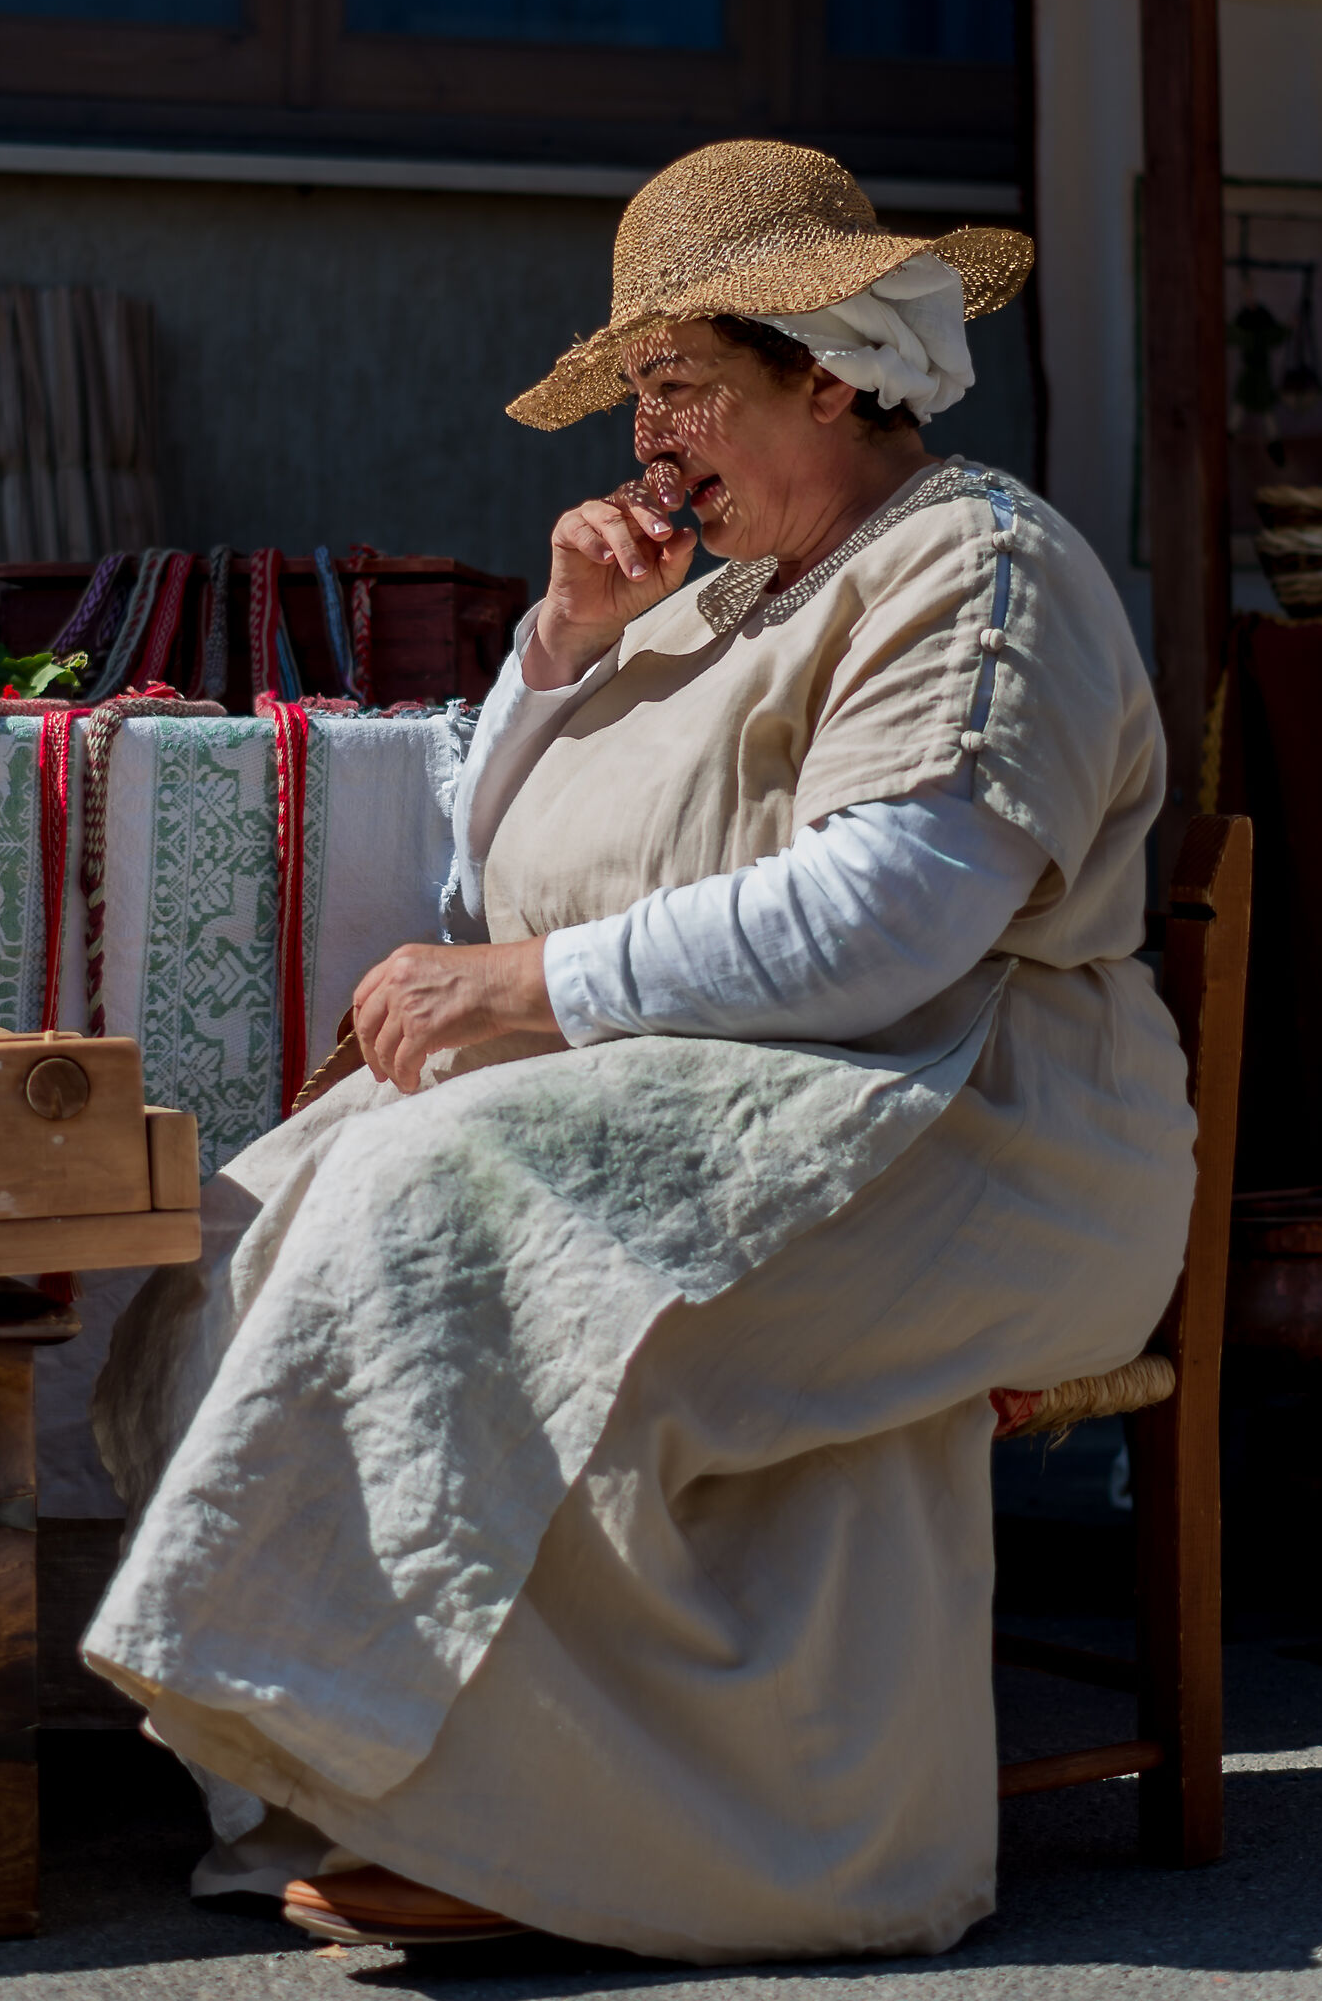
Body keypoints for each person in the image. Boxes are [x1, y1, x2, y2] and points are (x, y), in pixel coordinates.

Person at [86, 140, 1195, 1964]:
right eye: (638, 393)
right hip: (751, 1095)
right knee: (247, 1212)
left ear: (828, 369)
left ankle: (549, 1826)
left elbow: (888, 924)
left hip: (969, 1122)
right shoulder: (696, 596)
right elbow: (487, 867)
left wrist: (520, 993)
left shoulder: (973, 572)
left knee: (442, 1195)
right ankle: (340, 1764)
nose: (647, 438)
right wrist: (558, 650)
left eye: (681, 384)